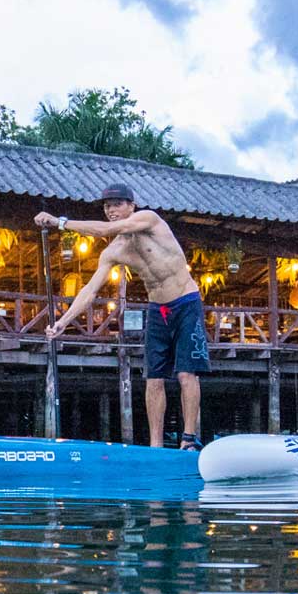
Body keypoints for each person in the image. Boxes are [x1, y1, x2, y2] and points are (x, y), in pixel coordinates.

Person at [36, 183, 208, 450]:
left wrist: (60, 223)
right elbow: (89, 291)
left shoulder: (149, 219)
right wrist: (63, 322)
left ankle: (188, 439)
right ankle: (155, 447)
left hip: (186, 302)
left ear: (131, 206)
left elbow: (104, 230)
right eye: (107, 206)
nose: (111, 210)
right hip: (158, 309)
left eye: (117, 204)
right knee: (154, 379)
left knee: (186, 374)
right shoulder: (113, 251)